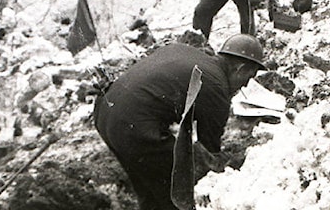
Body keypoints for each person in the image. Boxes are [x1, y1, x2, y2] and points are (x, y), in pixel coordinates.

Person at [93, 34, 269, 210]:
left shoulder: (188, 52)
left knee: (147, 186)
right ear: (240, 68)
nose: (245, 85)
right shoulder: (217, 87)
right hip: (134, 126)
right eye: (249, 76)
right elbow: (209, 151)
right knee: (175, 191)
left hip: (106, 111)